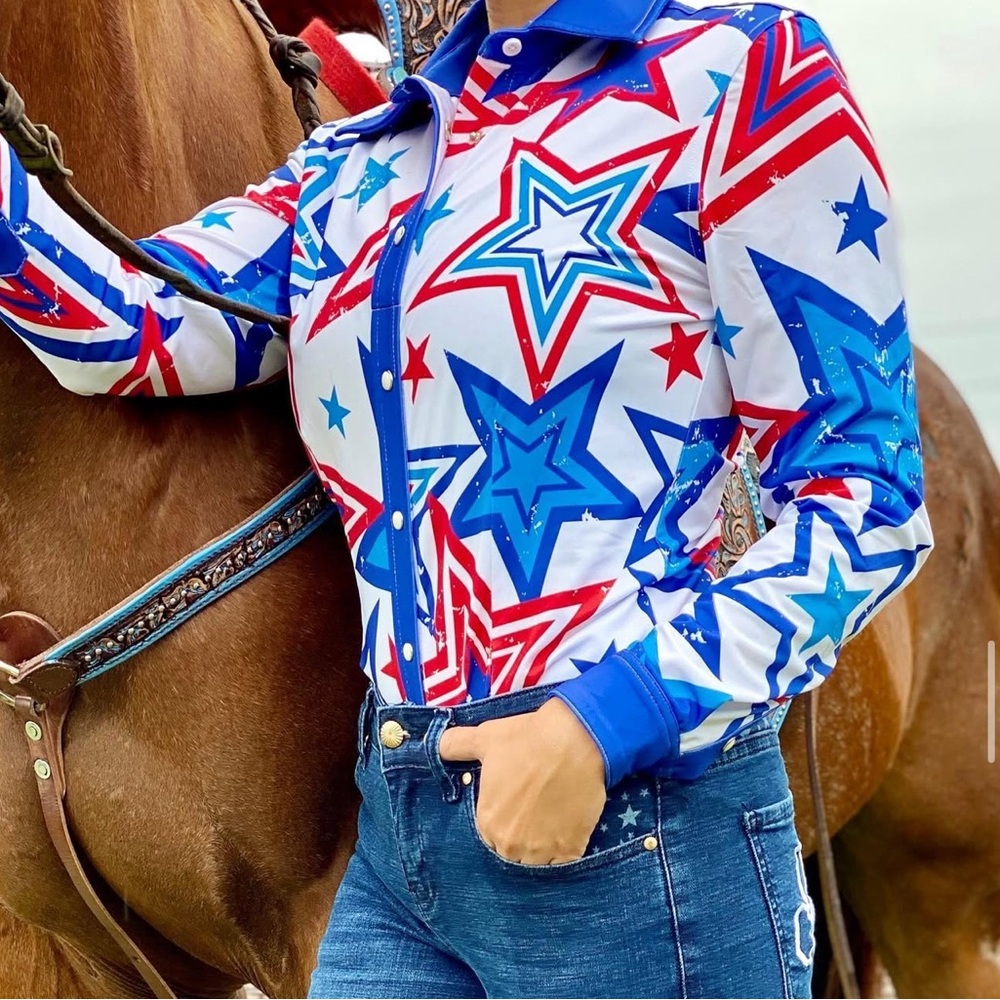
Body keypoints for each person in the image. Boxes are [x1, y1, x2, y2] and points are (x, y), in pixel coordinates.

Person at [0, 0, 933, 996]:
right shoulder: (355, 159)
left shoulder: (743, 66)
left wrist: (607, 718)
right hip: (402, 824)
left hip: (637, 813)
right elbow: (124, 327)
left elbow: (865, 494)